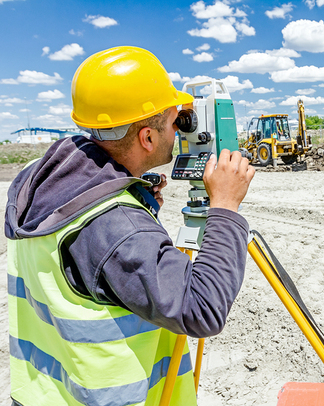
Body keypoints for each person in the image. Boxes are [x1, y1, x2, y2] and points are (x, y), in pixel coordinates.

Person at [5, 46, 255, 406]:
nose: (179, 130)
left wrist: (130, 188)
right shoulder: (118, 225)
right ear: (148, 138)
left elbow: (94, 259)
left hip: (44, 394)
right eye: (175, 121)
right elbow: (201, 309)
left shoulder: (40, 178)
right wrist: (226, 208)